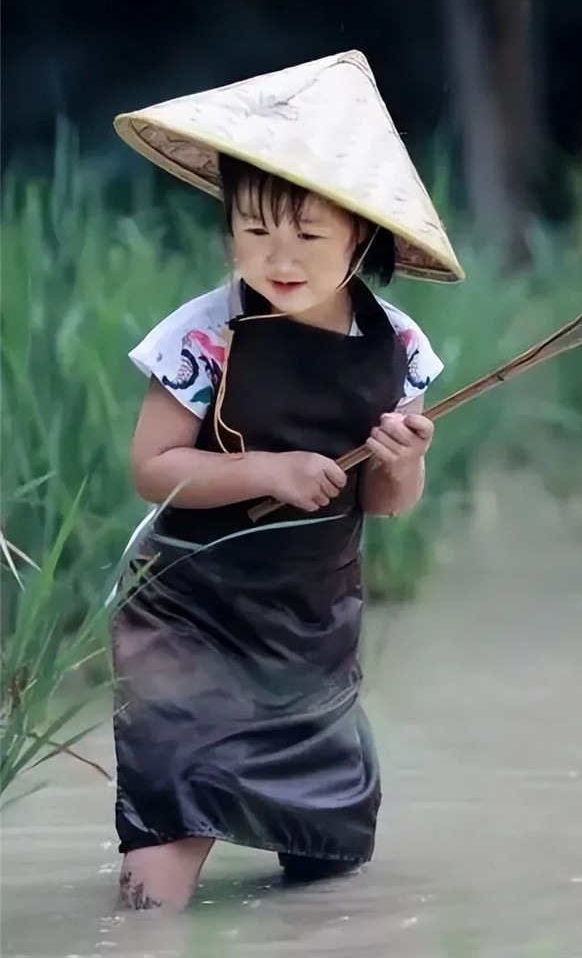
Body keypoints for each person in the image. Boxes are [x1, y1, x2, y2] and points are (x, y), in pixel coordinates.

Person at [111, 51, 464, 910]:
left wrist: (403, 462)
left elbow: (387, 507)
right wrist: (265, 468)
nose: (280, 254)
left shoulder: (399, 349)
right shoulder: (204, 335)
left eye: (309, 234)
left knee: (326, 865)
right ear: (229, 226)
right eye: (256, 228)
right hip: (190, 612)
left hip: (309, 625)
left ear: (361, 236)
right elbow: (152, 470)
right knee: (171, 828)